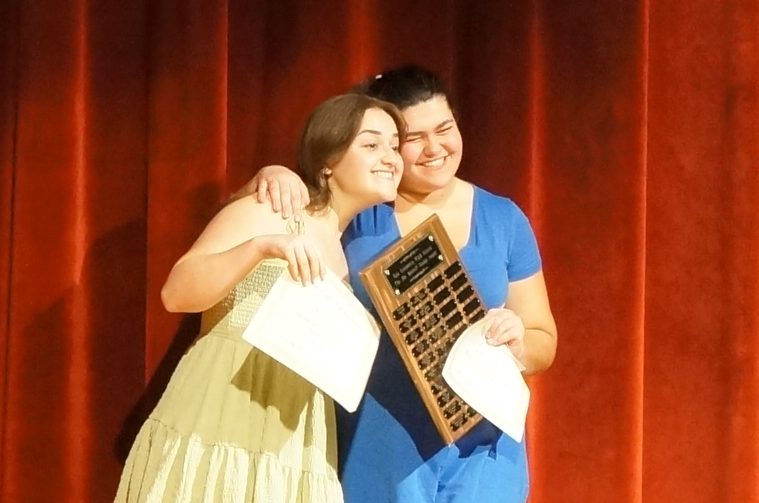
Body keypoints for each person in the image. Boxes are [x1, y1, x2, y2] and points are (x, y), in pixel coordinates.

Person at [241, 65, 557, 502]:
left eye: (444, 129)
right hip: (379, 444)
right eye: (414, 138)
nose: (434, 149)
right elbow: (258, 224)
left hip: (483, 449)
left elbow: (543, 340)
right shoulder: (358, 210)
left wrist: (518, 341)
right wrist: (271, 177)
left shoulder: (503, 219)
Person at [115, 93, 405, 502]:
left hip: (294, 430)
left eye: (395, 145)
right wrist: (261, 246)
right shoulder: (273, 207)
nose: (390, 157)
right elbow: (176, 292)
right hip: (223, 410)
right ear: (328, 159)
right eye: (372, 144)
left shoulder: (344, 250)